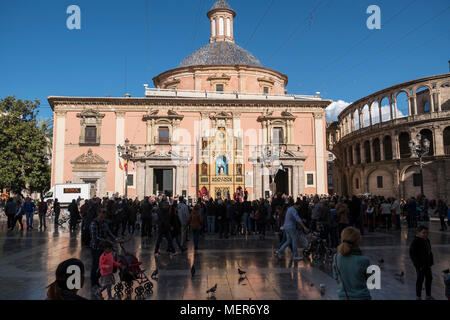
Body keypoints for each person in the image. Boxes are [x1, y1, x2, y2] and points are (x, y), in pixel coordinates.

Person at [332, 227, 371, 300]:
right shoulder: (364, 260)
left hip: (344, 297)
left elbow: (337, 280)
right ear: (358, 241)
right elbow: (372, 283)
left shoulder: (336, 258)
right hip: (362, 297)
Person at [90, 208, 118, 291]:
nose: (104, 214)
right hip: (96, 247)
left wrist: (116, 239)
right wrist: (107, 241)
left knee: (102, 266)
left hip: (104, 248)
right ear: (98, 213)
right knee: (96, 265)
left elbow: (109, 232)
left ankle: (97, 281)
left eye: (105, 213)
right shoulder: (94, 223)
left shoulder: (104, 222)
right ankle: (93, 283)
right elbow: (95, 237)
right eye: (102, 212)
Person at [409, 225, 435, 300]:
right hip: (420, 265)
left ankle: (428, 295)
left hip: (427, 264)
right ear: (419, 232)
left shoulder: (427, 240)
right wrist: (417, 265)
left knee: (429, 279)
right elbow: (412, 254)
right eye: (423, 233)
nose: (425, 234)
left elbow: (429, 251)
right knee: (420, 280)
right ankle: (418, 296)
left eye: (427, 233)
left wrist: (430, 261)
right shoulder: (416, 241)